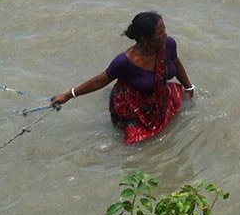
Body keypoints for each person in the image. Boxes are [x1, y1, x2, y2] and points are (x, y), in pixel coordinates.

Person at [50, 12, 194, 143]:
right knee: (137, 143)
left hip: (158, 97)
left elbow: (175, 62)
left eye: (164, 29)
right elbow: (100, 80)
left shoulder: (168, 44)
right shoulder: (125, 62)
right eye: (160, 32)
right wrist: (68, 95)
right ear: (145, 39)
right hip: (132, 106)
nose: (165, 34)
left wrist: (189, 87)